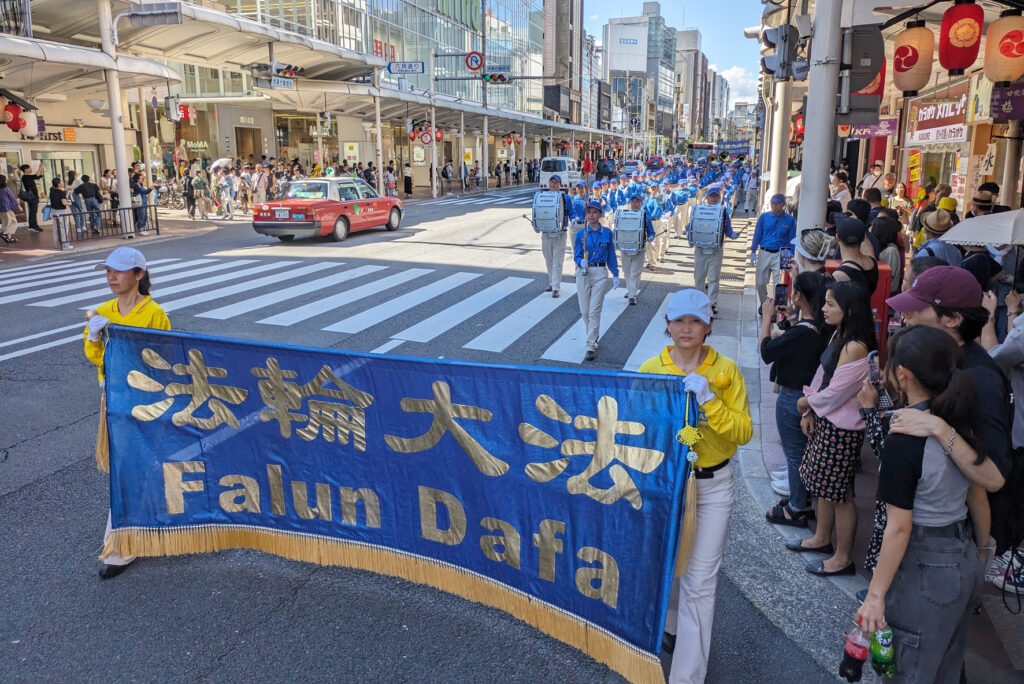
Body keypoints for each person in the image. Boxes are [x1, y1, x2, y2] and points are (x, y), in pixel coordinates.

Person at [855, 325, 989, 683]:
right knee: (945, 669)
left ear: (902, 374)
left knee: (910, 672)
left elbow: (899, 528)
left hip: (924, 568)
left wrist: (874, 595)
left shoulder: (904, 436)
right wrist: (980, 555)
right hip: (962, 557)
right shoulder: (957, 420)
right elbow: (979, 493)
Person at [638, 288, 752, 684]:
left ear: (708, 326)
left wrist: (710, 402)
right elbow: (638, 428)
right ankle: (671, 626)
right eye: (679, 321)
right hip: (666, 484)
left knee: (700, 584)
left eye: (695, 321)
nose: (686, 329)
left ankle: (686, 678)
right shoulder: (652, 368)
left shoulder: (727, 371)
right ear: (667, 325)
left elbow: (744, 432)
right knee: (666, 567)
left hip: (713, 486)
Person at [887, 266, 1014, 550]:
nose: (905, 315)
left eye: (917, 308)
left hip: (953, 544)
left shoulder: (981, 379)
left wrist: (938, 427)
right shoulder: (945, 358)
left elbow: (993, 478)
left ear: (953, 318)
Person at [84, 247, 171, 579]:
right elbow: (93, 356)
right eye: (108, 271)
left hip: (142, 402)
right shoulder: (100, 311)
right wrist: (94, 336)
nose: (111, 277)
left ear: (139, 275)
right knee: (128, 468)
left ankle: (122, 544)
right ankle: (136, 533)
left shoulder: (155, 314)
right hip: (112, 400)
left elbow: (162, 361)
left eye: (119, 271)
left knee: (130, 468)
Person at [790, 281, 876, 576]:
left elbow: (836, 392)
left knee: (840, 495)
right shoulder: (841, 335)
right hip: (829, 421)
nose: (823, 309)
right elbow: (822, 375)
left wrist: (805, 403)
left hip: (844, 429)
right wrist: (810, 406)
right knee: (825, 489)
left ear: (849, 310)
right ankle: (821, 539)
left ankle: (843, 557)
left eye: (830, 304)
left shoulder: (855, 347)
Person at [762, 271, 829, 526]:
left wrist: (767, 318)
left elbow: (766, 350)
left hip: (793, 397)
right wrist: (790, 316)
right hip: (807, 393)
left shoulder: (801, 333)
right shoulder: (819, 326)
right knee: (801, 451)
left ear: (798, 295)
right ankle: (799, 500)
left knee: (794, 453)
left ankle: (796, 507)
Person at [573, 201, 619, 361]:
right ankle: (593, 334)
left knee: (594, 310)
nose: (591, 215)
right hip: (583, 272)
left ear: (600, 214)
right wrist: (580, 262)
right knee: (585, 312)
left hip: (600, 272)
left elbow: (611, 254)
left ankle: (590, 344)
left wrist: (615, 273)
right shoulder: (581, 234)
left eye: (595, 212)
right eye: (589, 212)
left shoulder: (607, 233)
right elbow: (576, 255)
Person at [689, 186, 737, 316]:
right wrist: (689, 235)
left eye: (716, 196)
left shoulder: (723, 212)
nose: (714, 198)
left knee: (714, 278)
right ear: (707, 198)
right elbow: (691, 227)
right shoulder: (698, 210)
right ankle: (699, 303)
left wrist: (732, 234)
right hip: (700, 249)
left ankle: (712, 303)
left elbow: (728, 229)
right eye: (712, 196)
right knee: (699, 277)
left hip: (716, 249)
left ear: (719, 198)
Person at [750, 193, 797, 306]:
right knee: (760, 282)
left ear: (783, 204)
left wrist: (791, 256)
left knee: (781, 283)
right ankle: (764, 302)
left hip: (783, 253)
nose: (776, 206)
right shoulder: (764, 217)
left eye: (778, 204)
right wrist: (753, 250)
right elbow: (758, 234)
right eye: (773, 204)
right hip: (765, 251)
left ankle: (780, 307)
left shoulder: (789, 220)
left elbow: (792, 239)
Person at [537, 175, 573, 298]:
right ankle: (552, 283)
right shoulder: (542, 196)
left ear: (560, 184)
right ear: (548, 183)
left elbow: (571, 213)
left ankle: (556, 287)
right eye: (552, 182)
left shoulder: (565, 197)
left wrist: (574, 221)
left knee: (558, 261)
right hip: (546, 233)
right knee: (549, 259)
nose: (554, 184)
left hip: (560, 234)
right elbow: (538, 211)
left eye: (556, 182)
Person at [617, 194, 656, 306]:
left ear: (641, 203)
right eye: (633, 201)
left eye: (637, 201)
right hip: (625, 248)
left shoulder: (644, 216)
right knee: (627, 272)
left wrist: (651, 236)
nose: (634, 203)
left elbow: (651, 231)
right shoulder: (623, 215)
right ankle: (631, 290)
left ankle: (632, 295)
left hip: (639, 249)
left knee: (635, 273)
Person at [831, 217, 879, 295]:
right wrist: (856, 223)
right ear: (863, 238)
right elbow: (867, 247)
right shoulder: (871, 261)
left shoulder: (840, 275)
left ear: (837, 238)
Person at [872, 215, 902, 296]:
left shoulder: (891, 251)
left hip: (886, 293)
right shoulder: (883, 248)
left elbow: (886, 275)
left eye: (873, 227)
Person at [49, 177, 74, 249]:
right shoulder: (61, 192)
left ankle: (57, 244)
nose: (63, 183)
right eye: (61, 182)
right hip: (61, 211)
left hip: (53, 211)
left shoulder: (52, 191)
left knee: (56, 228)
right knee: (63, 228)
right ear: (59, 184)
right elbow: (64, 203)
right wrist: (70, 203)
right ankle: (65, 244)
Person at [19, 163, 42, 233]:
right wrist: (40, 167)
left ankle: (34, 225)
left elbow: (39, 176)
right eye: (29, 168)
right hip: (32, 197)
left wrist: (42, 168)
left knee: (34, 211)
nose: (30, 169)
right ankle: (32, 226)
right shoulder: (25, 177)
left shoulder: (28, 177)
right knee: (32, 211)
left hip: (34, 196)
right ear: (25, 170)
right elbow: (37, 175)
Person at [0, 174, 19, 243]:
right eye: (6, 179)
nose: (7, 180)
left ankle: (8, 238)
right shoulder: (6, 189)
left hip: (1, 209)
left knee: (5, 223)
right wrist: (18, 206)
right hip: (7, 209)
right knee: (13, 222)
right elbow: (13, 197)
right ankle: (3, 233)